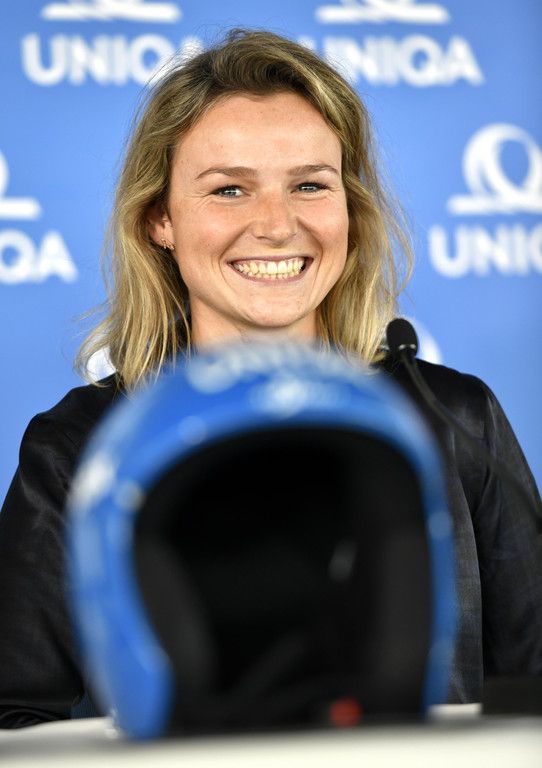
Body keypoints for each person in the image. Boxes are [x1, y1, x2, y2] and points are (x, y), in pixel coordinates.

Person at [0, 28, 541, 728]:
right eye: (229, 189)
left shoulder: (456, 416)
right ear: (160, 218)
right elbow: (15, 721)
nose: (278, 225)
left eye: (310, 185)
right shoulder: (76, 446)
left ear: (350, 209)